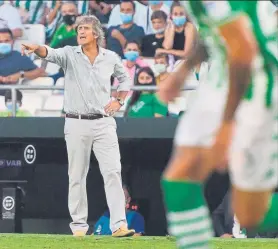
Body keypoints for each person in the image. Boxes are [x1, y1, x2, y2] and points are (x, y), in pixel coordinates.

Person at [158, 1, 278, 249]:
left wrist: (227, 126)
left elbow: (243, 51)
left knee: (249, 215)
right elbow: (214, 31)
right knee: (179, 177)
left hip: (257, 82)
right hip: (221, 79)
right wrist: (183, 71)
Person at [21, 15, 135, 238]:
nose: (80, 32)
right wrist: (36, 47)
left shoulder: (110, 57)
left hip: (104, 122)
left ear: (96, 33)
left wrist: (119, 100)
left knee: (113, 172)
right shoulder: (68, 54)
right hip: (76, 122)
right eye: (79, 29)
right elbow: (49, 53)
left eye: (85, 28)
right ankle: (79, 228)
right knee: (76, 175)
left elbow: (125, 80)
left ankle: (119, 225)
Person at [0, 28, 45, 95]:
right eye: (0, 41)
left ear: (13, 41)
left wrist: (21, 75)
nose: (3, 44)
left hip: (13, 96)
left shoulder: (19, 57)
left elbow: (41, 72)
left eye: (7, 41)